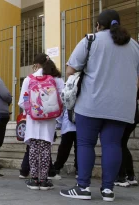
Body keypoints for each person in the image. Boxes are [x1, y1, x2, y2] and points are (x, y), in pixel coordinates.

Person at [60, 10, 139, 202]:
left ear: (98, 25)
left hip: (91, 103)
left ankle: (83, 187)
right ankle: (108, 190)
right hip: (122, 106)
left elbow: (70, 70)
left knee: (85, 143)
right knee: (113, 144)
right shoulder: (135, 46)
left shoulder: (91, 40)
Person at [18, 53, 64, 191]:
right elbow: (63, 98)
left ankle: (34, 179)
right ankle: (44, 181)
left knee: (33, 148)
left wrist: (33, 110)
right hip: (49, 121)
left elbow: (22, 101)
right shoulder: (56, 79)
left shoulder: (29, 79)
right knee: (45, 149)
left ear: (38, 65)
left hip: (33, 120)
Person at [114, 89, 139, 187]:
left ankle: (121, 177)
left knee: (119, 144)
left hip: (124, 115)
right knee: (122, 144)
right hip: (133, 115)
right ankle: (130, 176)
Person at [53, 109, 78, 178]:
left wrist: (59, 123)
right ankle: (79, 170)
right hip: (79, 126)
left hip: (68, 126)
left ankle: (57, 167)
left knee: (64, 149)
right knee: (77, 149)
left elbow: (61, 110)